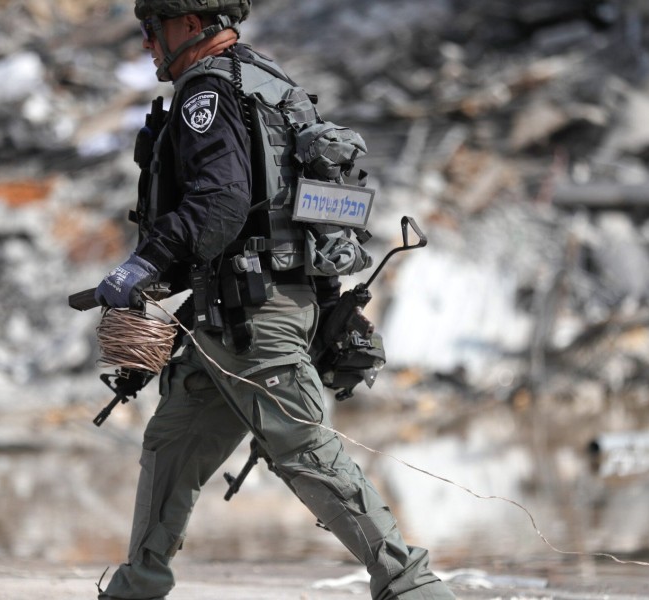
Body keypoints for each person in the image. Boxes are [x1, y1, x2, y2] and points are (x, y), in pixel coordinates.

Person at [93, 2, 456, 599]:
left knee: (303, 449)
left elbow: (220, 205)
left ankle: (412, 587)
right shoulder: (269, 84)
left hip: (251, 320)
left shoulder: (205, 94)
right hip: (240, 313)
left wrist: (146, 263)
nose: (145, 46)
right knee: (173, 443)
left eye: (150, 31)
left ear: (187, 24)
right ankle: (138, 586)